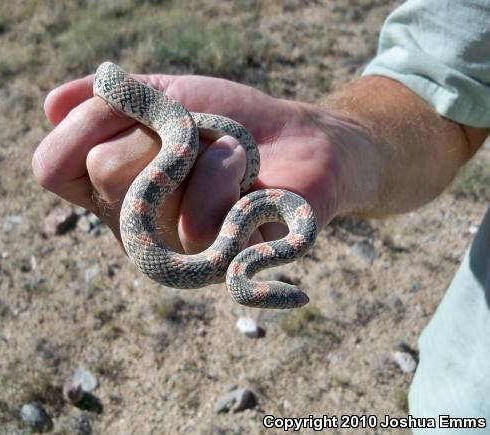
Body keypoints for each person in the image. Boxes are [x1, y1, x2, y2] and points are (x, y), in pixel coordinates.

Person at [33, 0, 490, 431]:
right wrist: (330, 141)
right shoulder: (287, 226)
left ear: (261, 288)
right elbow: (447, 83)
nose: (293, 294)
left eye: (286, 294)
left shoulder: (253, 250)